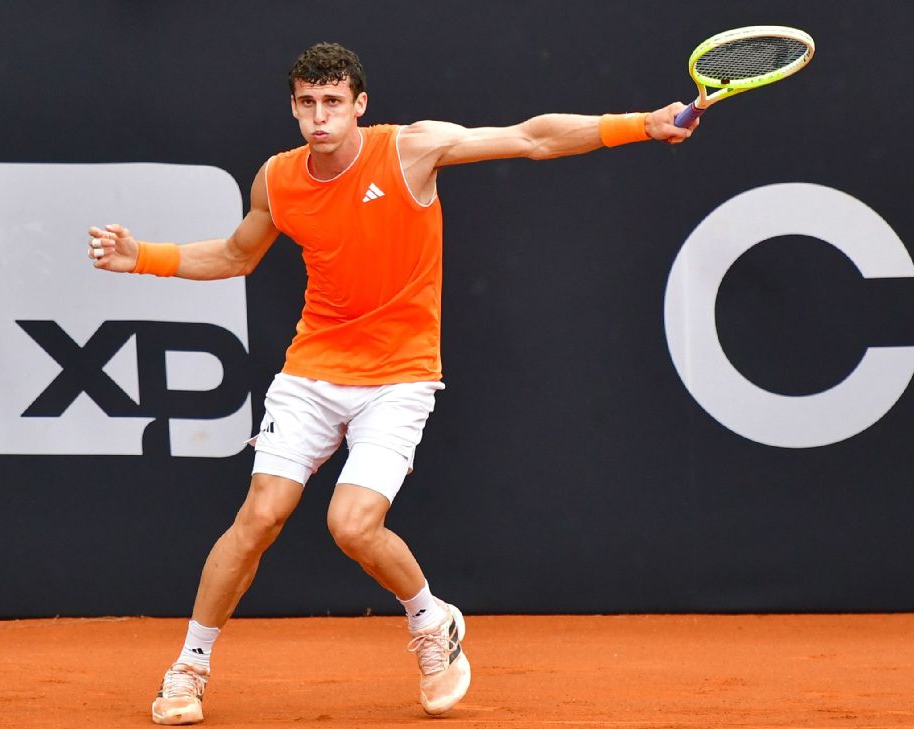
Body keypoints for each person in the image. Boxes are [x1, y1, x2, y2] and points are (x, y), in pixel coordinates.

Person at [86, 42, 692, 725]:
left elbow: (531, 138)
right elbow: (234, 254)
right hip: (313, 367)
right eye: (308, 103)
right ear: (293, 107)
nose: (320, 117)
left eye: (333, 102)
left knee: (351, 525)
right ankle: (190, 667)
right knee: (259, 516)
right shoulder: (276, 179)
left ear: (359, 105)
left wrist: (641, 124)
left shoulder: (411, 150)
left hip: (400, 374)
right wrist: (144, 257)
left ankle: (431, 621)